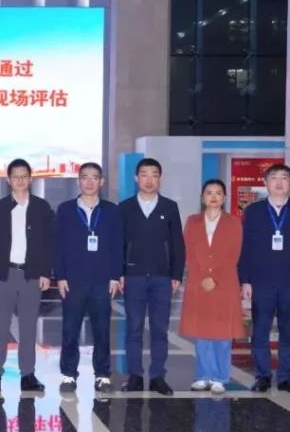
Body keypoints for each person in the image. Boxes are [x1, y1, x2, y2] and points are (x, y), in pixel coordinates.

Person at [239, 163, 290, 395]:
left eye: (284, 178)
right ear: (266, 183)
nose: (279, 182)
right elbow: (246, 248)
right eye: (274, 178)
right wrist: (246, 280)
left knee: (289, 332)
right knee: (260, 331)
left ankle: (286, 378)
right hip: (261, 281)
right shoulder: (253, 211)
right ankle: (262, 376)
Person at [0, 158, 54, 393]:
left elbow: (48, 243)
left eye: (24, 176)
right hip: (4, 275)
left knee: (28, 327)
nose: (20, 181)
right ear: (8, 180)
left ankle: (28, 374)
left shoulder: (41, 208)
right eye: (16, 177)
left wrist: (46, 272)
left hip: (31, 276)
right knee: (0, 326)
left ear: (30, 179)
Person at [54, 162, 123, 395]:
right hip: (73, 280)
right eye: (85, 177)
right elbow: (58, 245)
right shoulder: (65, 210)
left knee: (102, 330)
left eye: (94, 177)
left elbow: (117, 246)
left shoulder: (111, 211)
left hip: (102, 281)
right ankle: (68, 374)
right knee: (70, 330)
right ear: (79, 181)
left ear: (101, 182)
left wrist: (115, 276)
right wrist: (60, 276)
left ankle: (102, 375)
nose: (90, 182)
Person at [118, 158, 184, 395]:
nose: (149, 180)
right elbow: (118, 243)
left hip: (161, 278)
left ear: (160, 178)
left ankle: (158, 376)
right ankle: (134, 376)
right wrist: (119, 273)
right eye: (144, 175)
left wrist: (176, 274)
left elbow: (177, 244)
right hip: (133, 276)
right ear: (136, 178)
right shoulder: (124, 208)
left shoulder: (169, 207)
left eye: (154, 175)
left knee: (159, 329)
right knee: (134, 328)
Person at [178, 179, 245, 395]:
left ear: (224, 198)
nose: (213, 196)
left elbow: (233, 254)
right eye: (209, 193)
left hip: (224, 283)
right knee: (202, 332)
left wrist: (214, 277)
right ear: (202, 197)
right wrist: (202, 276)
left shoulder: (233, 223)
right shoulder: (193, 221)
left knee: (222, 333)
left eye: (218, 193)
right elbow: (188, 252)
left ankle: (220, 377)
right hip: (198, 283)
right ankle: (203, 375)